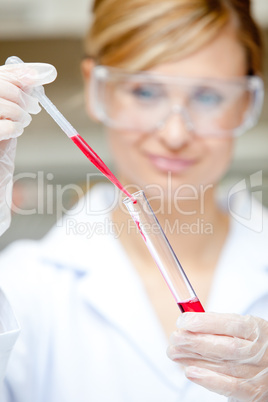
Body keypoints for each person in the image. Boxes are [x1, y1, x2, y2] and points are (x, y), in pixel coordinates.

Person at [0, 0, 267, 400]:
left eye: (209, 96)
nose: (175, 133)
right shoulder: (21, 285)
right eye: (145, 91)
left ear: (247, 101)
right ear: (96, 88)